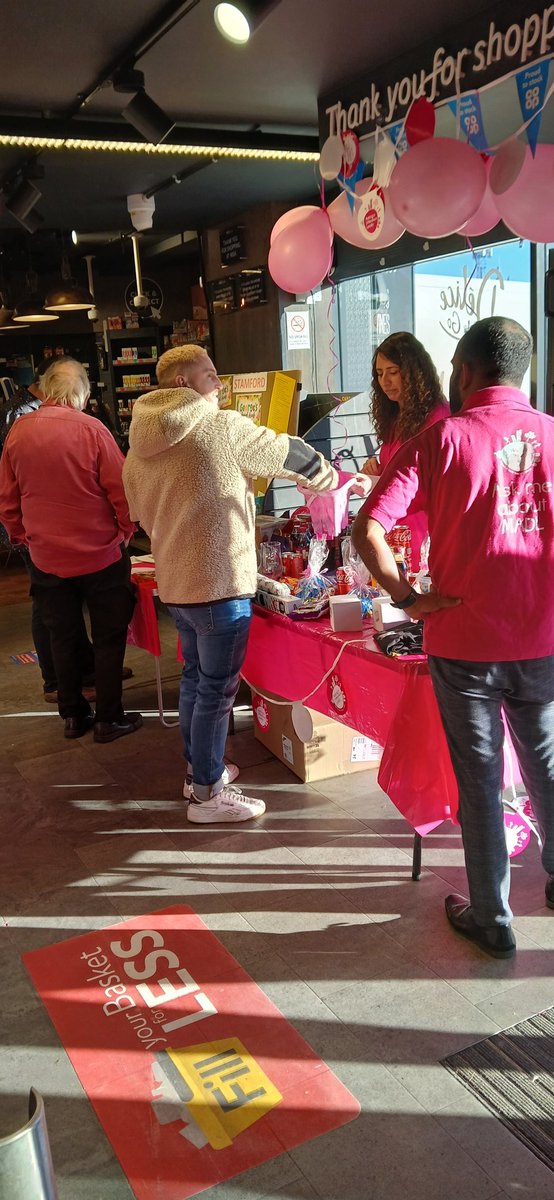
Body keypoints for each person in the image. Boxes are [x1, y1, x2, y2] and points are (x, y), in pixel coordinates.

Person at [352, 316, 554, 959]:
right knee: (548, 764)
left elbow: (369, 529)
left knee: (480, 776)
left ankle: (491, 915)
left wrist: (408, 599)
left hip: (463, 642)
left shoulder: (441, 441)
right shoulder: (553, 435)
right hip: (543, 637)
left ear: (463, 373)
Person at [123, 345, 370, 825]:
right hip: (218, 579)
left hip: (176, 581)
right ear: (183, 385)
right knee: (216, 689)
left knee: (196, 680)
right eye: (211, 375)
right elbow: (288, 451)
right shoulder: (220, 427)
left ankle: (200, 772)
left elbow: (140, 517)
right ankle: (208, 794)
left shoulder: (138, 447)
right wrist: (333, 479)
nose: (220, 384)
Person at [0, 357, 141, 743]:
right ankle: (110, 719)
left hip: (46, 557)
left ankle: (74, 716)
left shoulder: (18, 432)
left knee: (62, 637)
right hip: (101, 554)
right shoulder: (93, 430)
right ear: (81, 391)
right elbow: (121, 490)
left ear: (45, 388)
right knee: (109, 638)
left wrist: (22, 537)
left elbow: (7, 500)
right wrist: (126, 530)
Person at [0, 356, 99, 702]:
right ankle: (56, 680)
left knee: (58, 606)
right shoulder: (21, 417)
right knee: (51, 609)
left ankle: (84, 672)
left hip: (38, 530)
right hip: (45, 532)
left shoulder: (22, 420)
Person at [361, 332, 449, 572]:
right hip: (394, 531)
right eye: (379, 374)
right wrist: (376, 470)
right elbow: (393, 466)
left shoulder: (437, 418)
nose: (385, 381)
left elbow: (433, 484)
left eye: (393, 372)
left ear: (413, 372)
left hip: (423, 535)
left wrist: (378, 483)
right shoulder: (396, 415)